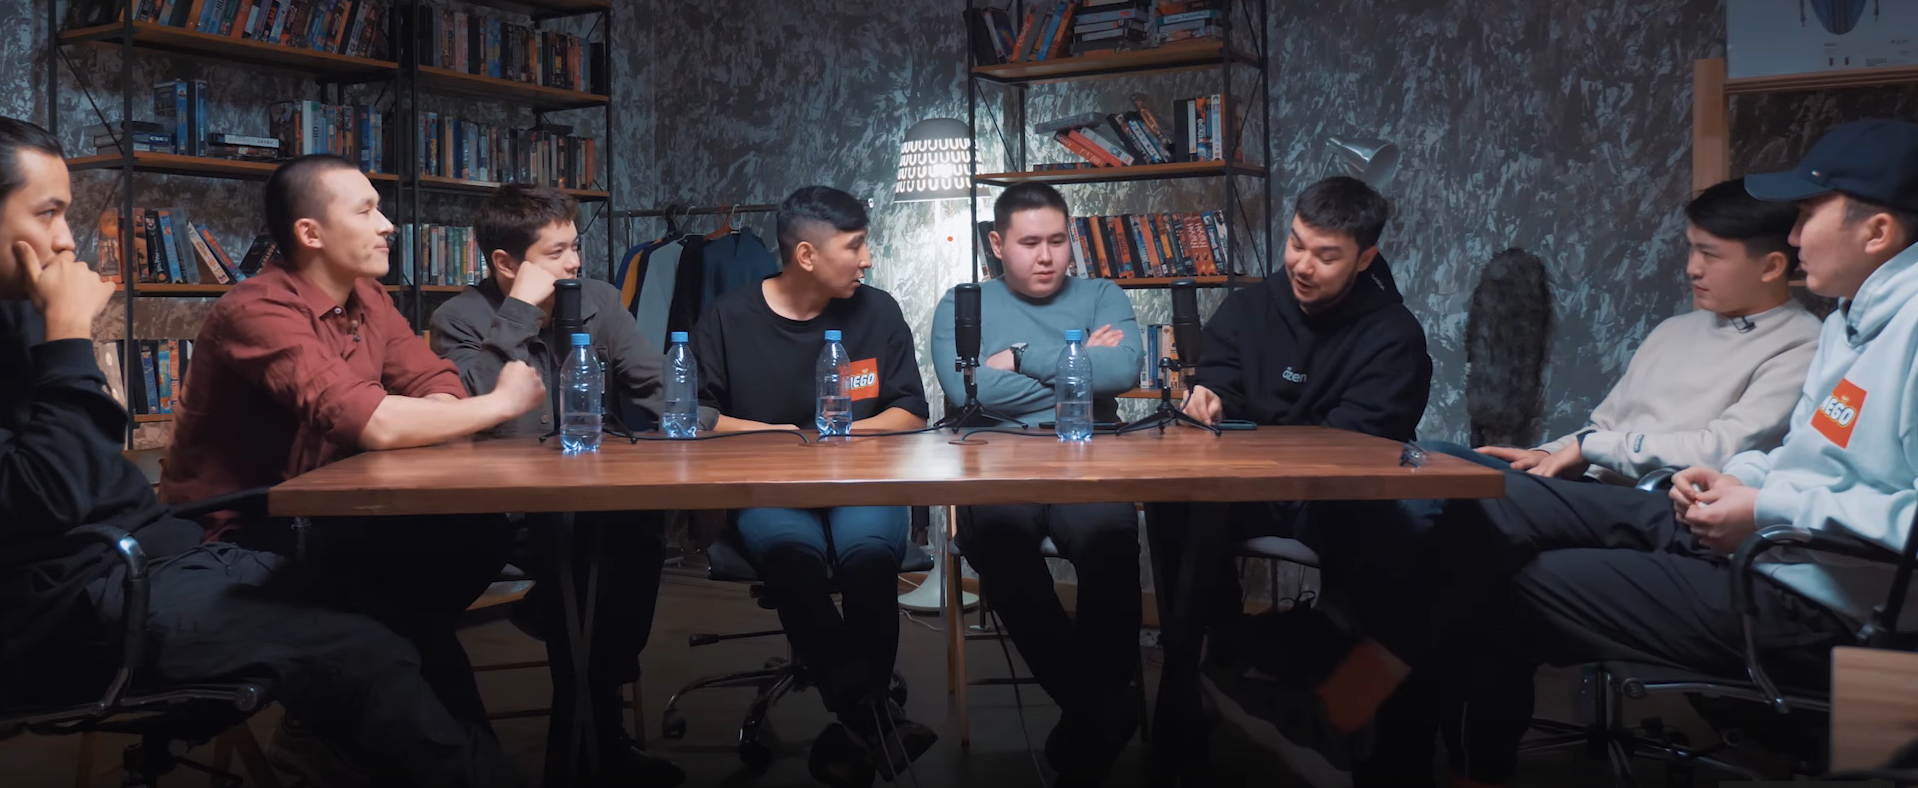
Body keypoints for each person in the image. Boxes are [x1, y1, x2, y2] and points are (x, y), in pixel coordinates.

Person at [1282, 119, 1918, 788]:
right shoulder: (1856, 321)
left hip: (1810, 595)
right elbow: (1795, 453)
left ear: (1875, 232)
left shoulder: (1871, 331)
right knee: (1468, 484)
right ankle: (1363, 710)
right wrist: (1741, 480)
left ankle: (1362, 712)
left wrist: (1762, 501)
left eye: (1809, 214)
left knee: (1493, 566)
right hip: (1740, 532)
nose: (1792, 236)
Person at [0, 117, 526, 787]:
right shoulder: (243, 309)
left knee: (407, 604)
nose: (67, 240)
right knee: (361, 644)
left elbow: (81, 467)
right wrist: (69, 339)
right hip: (85, 596)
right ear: (310, 232)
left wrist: (60, 343)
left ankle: (388, 752)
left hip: (164, 554)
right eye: (47, 213)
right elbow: (45, 496)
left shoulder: (21, 316)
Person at [159, 154, 547, 776]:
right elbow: (373, 422)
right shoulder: (257, 310)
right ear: (311, 233)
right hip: (238, 534)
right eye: (367, 210)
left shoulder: (367, 297)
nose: (388, 224)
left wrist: (432, 411)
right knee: (415, 599)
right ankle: (369, 730)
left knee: (478, 536)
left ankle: (331, 724)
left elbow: (433, 380)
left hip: (334, 513)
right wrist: (497, 402)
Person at [430, 183, 709, 786]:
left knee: (631, 534)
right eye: (556, 253)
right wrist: (522, 314)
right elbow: (478, 400)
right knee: (582, 576)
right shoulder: (457, 318)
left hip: (587, 502)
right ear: (506, 262)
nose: (575, 263)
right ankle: (591, 747)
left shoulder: (601, 302)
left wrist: (747, 425)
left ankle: (586, 738)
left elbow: (657, 387)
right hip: (497, 513)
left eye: (574, 246)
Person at [690, 185, 936, 786]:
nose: (868, 259)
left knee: (870, 563)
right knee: (793, 561)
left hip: (859, 483)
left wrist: (838, 439)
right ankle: (871, 716)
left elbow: (911, 409)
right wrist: (784, 436)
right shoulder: (728, 316)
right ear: (805, 255)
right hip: (772, 487)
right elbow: (695, 414)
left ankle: (859, 728)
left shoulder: (877, 311)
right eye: (854, 246)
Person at [930, 182, 1144, 786]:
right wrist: (1079, 366)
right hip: (998, 463)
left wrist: (1018, 358)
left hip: (1088, 459)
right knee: (998, 542)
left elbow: (1126, 368)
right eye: (1029, 243)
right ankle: (1101, 706)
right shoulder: (962, 302)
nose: (1046, 256)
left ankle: (1091, 720)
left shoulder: (1102, 293)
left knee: (1109, 542)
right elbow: (969, 391)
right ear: (998, 244)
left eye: (1057, 240)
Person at [1147, 175, 1432, 629]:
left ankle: (1328, 670)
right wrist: (1207, 397)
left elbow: (1360, 443)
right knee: (1172, 497)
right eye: (1297, 244)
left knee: (1377, 520)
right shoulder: (1248, 308)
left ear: (1365, 259)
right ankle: (1205, 655)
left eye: (1326, 256)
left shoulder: (1394, 336)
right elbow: (1219, 378)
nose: (1302, 265)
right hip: (1245, 485)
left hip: (1332, 494)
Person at [1471, 178, 1822, 484]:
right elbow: (1603, 428)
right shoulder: (1674, 330)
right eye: (1691, 248)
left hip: (1662, 503)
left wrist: (1590, 448)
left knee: (1475, 502)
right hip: (1593, 488)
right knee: (1448, 463)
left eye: (1709, 255)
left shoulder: (1800, 344)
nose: (1692, 269)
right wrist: (1546, 454)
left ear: (1771, 266)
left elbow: (1720, 450)